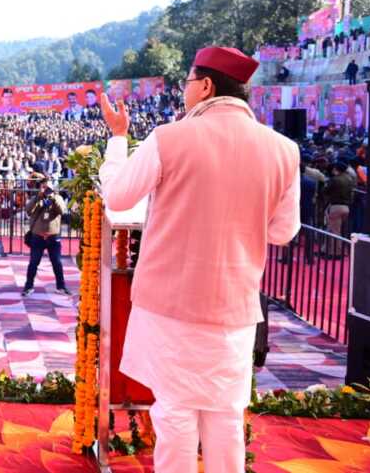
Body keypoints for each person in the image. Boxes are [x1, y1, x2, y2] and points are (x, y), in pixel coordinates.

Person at [98, 46, 299, 473]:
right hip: (234, 310)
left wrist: (118, 139)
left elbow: (117, 197)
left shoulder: (169, 138)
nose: (184, 90)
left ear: (206, 86)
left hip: (171, 308)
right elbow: (283, 232)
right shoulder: (283, 149)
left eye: (188, 81)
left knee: (175, 415)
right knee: (226, 417)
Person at [21, 180, 70, 296]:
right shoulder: (36, 198)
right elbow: (28, 210)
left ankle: (61, 286)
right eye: (44, 187)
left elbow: (63, 210)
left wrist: (53, 197)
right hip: (37, 237)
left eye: (48, 187)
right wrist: (38, 197)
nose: (46, 189)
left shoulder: (57, 198)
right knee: (33, 263)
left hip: (53, 238)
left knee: (57, 262)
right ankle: (28, 287)